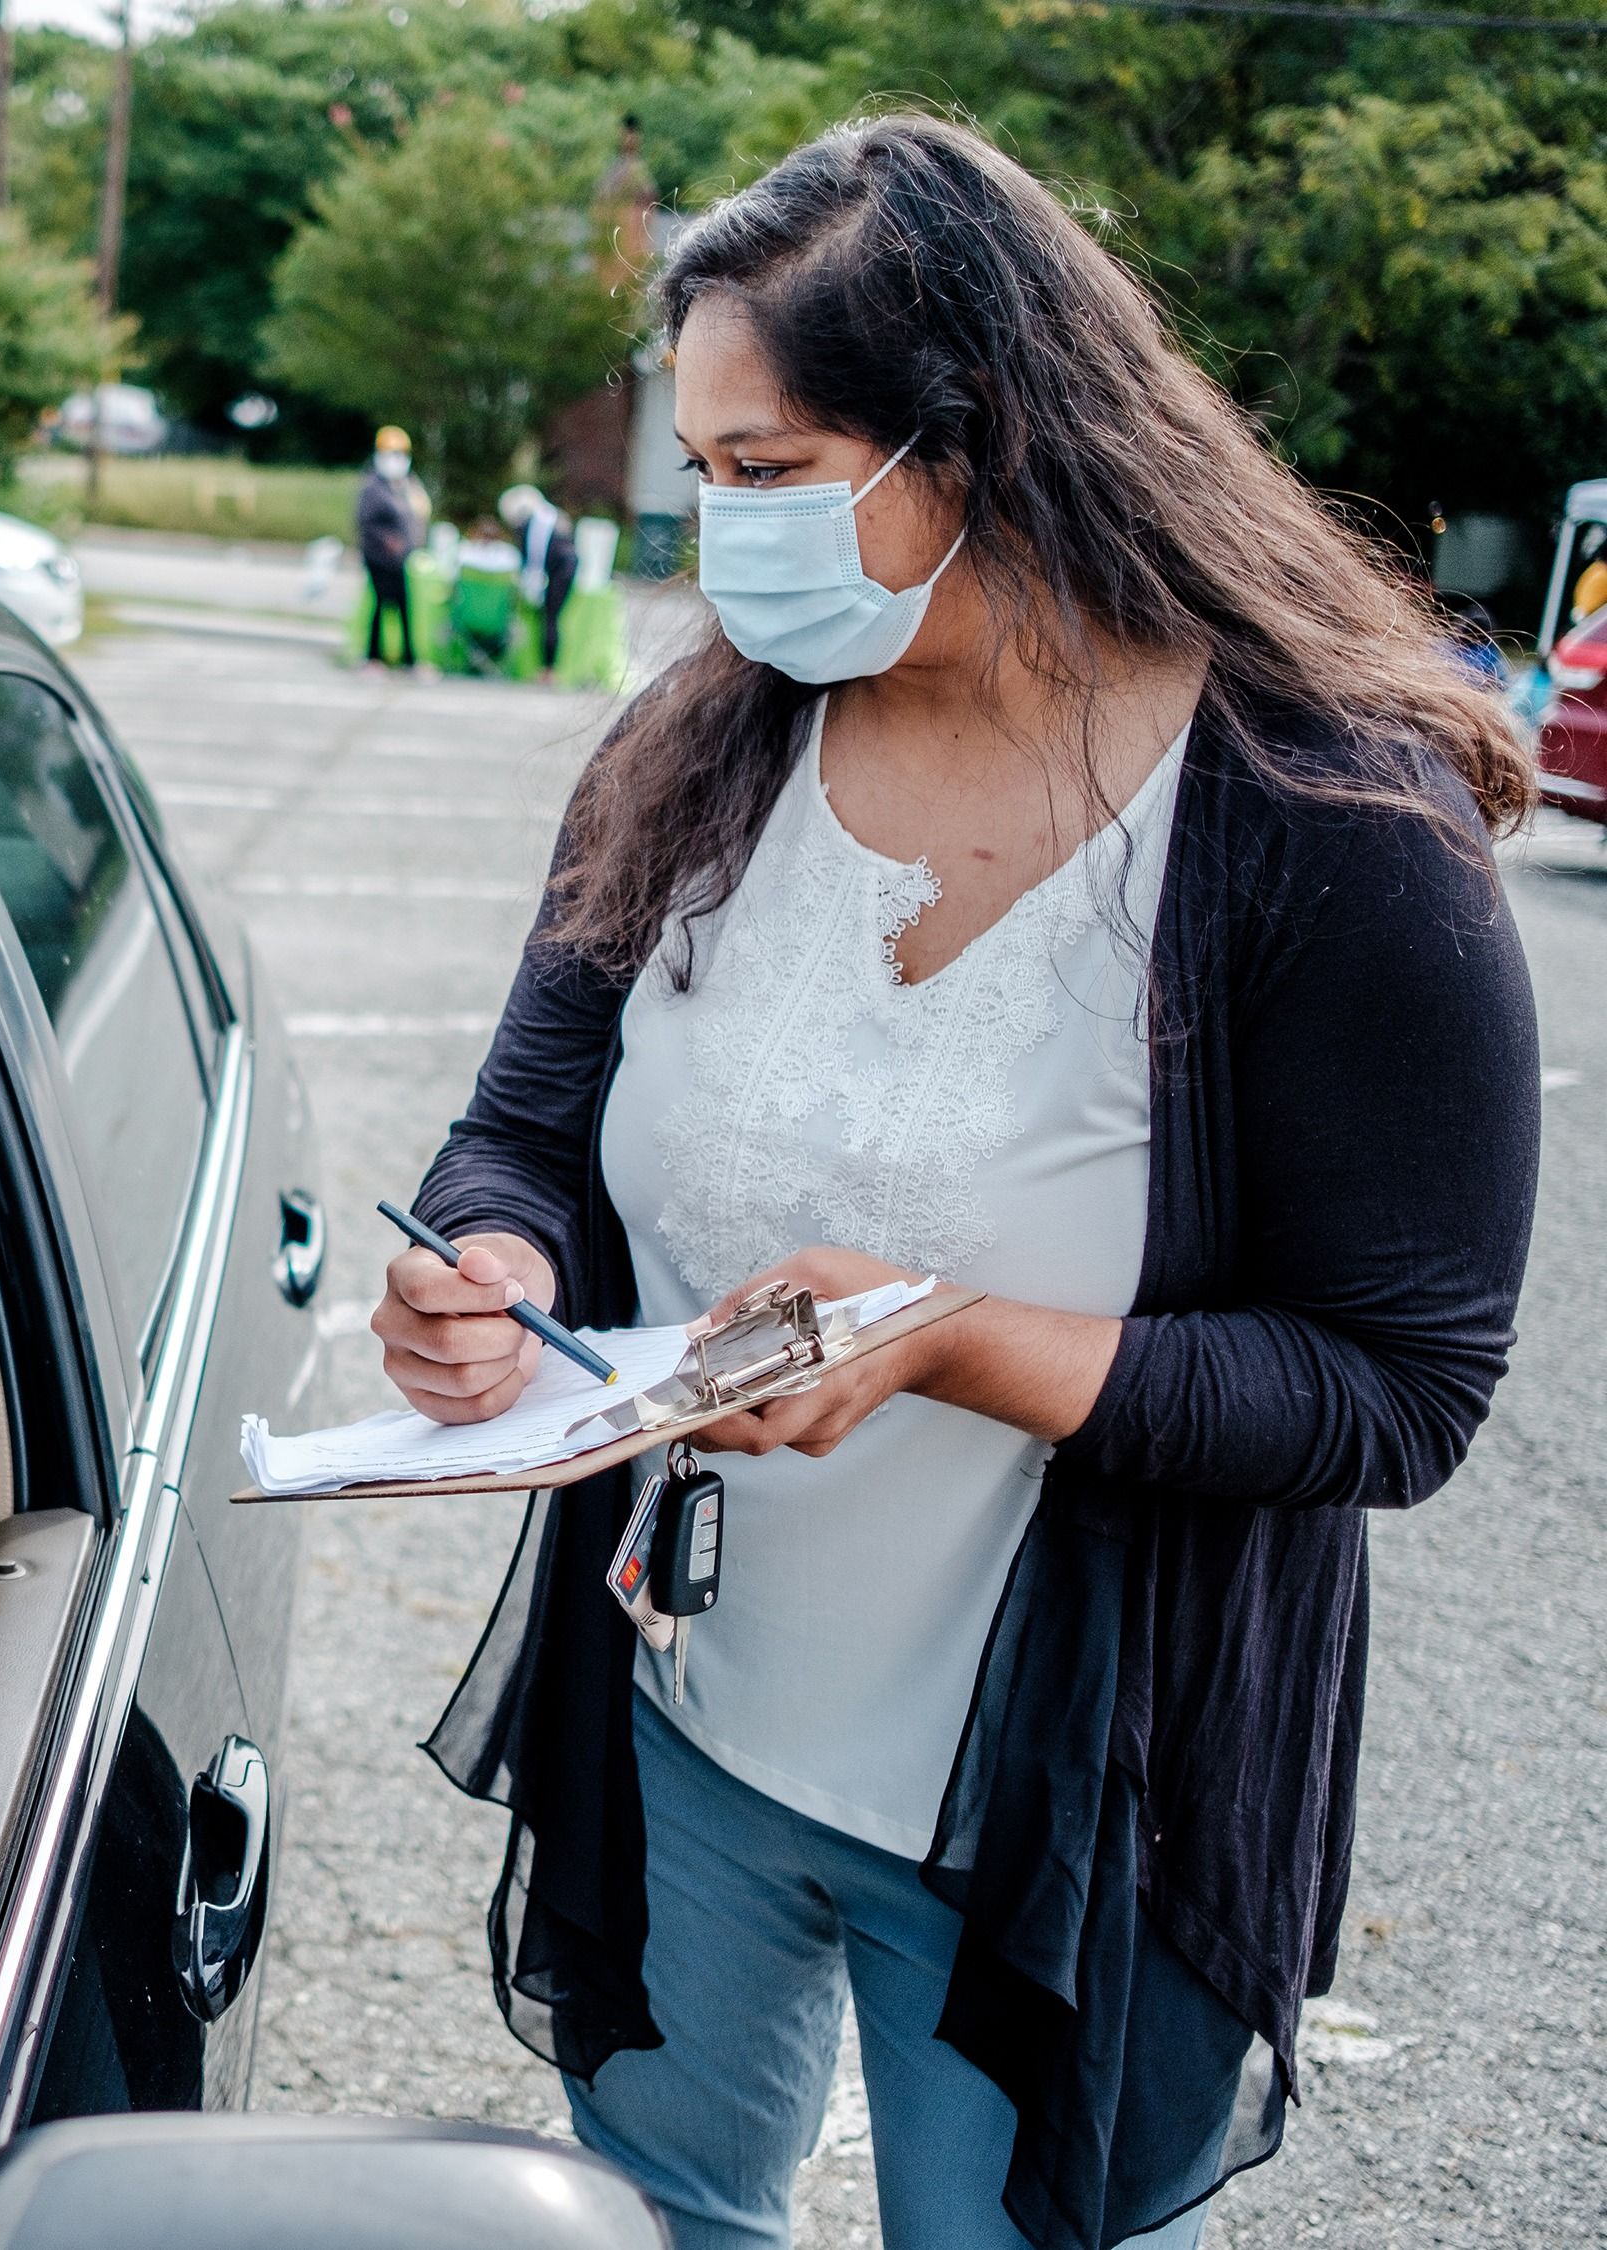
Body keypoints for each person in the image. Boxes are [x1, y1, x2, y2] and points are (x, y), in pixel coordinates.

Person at [374, 116, 1539, 2250]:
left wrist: (946, 1341)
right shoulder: (704, 744)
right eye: (702, 470)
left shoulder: (1320, 818)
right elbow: (524, 1124)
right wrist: (488, 1259)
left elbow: (1398, 1389)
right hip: (683, 1708)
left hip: (1054, 1808)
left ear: (983, 435)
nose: (716, 530)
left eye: (770, 472)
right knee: (656, 2212)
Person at [357, 425, 428, 670]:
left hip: (400, 559)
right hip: (379, 558)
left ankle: (408, 658)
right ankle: (373, 657)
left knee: (403, 607)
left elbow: (417, 515)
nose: (396, 460)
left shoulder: (405, 485)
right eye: (391, 453)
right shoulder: (373, 486)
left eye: (400, 454)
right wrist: (387, 540)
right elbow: (365, 523)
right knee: (380, 606)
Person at [499, 483, 580, 676]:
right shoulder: (551, 517)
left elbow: (527, 559)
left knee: (550, 618)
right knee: (552, 618)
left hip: (557, 571)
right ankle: (547, 667)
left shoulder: (527, 526)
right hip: (567, 566)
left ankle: (547, 669)